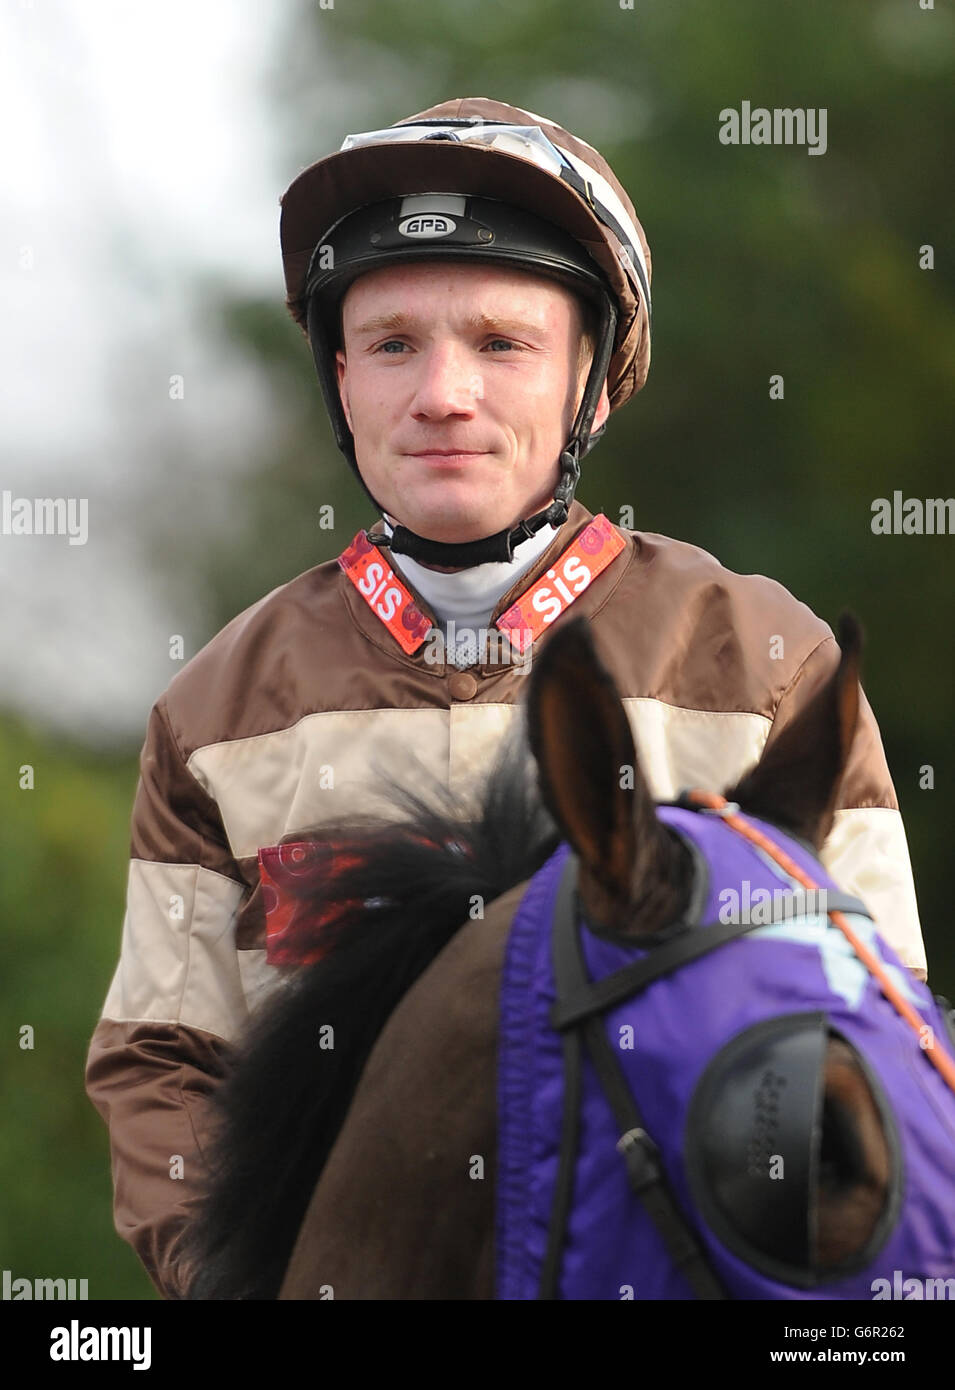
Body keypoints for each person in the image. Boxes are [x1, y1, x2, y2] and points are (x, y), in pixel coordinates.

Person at [85, 96, 926, 1301]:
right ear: (339, 376)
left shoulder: (768, 664)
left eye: (499, 343)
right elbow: (165, 1064)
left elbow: (871, 1029)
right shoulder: (212, 709)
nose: (440, 393)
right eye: (390, 345)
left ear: (591, 378)